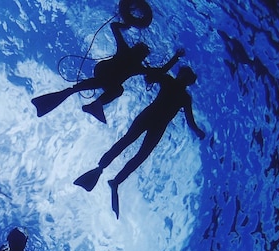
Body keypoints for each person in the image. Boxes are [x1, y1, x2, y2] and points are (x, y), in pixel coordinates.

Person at [74, 65, 206, 218]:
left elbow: (190, 120)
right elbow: (151, 76)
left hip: (155, 123)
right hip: (151, 119)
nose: (184, 79)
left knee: (139, 154)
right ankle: (101, 169)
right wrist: (198, 131)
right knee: (127, 142)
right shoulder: (173, 85)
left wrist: (197, 131)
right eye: (185, 76)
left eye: (187, 78)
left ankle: (115, 180)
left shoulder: (181, 94)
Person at [31, 21, 183, 122]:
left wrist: (127, 24)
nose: (142, 56)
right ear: (140, 54)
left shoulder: (132, 60)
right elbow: (161, 70)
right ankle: (94, 105)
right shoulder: (132, 60)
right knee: (115, 88)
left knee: (114, 89)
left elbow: (114, 27)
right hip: (104, 74)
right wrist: (175, 57)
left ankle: (93, 104)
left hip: (105, 77)